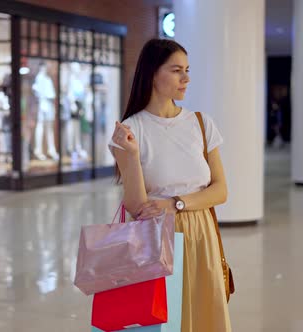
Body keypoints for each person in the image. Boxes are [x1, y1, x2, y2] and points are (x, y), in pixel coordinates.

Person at [109, 39, 232, 331]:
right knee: (165, 319)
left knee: (203, 314)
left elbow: (220, 190)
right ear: (153, 73)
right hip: (155, 236)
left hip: (201, 233)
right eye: (177, 70)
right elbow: (138, 206)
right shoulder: (131, 129)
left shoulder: (201, 123)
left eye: (187, 70)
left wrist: (176, 203)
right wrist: (131, 155)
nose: (186, 78)